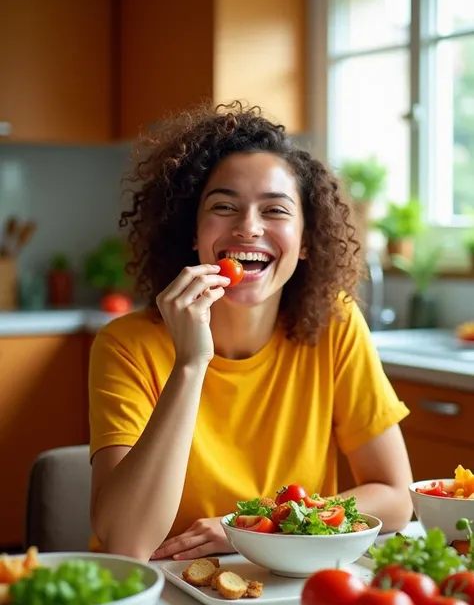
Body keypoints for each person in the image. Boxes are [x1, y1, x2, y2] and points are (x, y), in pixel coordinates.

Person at [89, 101, 413, 563]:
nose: (248, 228)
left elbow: (396, 497)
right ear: (193, 233)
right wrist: (190, 364)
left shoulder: (335, 326)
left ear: (306, 242)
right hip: (160, 588)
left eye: (275, 210)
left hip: (287, 587)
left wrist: (255, 526)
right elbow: (127, 543)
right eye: (224, 206)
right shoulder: (126, 345)